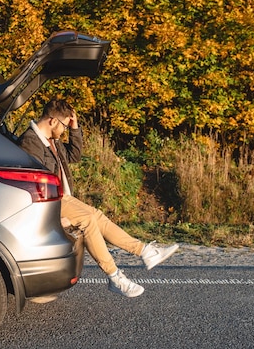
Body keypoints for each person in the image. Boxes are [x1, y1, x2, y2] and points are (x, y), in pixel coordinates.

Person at [17, 98, 179, 298]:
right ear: (52, 121)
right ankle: (115, 276)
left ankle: (145, 252)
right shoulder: (30, 142)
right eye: (64, 127)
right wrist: (53, 218)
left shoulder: (51, 140)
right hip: (50, 203)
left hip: (62, 198)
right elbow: (33, 186)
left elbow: (74, 156)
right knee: (89, 220)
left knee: (97, 215)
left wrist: (75, 128)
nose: (65, 131)